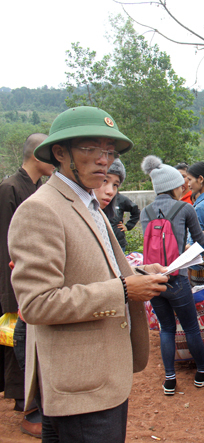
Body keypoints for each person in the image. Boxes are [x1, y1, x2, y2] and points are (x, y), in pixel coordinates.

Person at [8, 106, 169, 442]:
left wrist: (139, 272)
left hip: (100, 377)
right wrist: (125, 290)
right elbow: (38, 303)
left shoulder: (86, 203)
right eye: (91, 149)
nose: (103, 160)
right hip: (80, 386)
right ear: (60, 153)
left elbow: (91, 269)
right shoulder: (41, 209)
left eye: (109, 151)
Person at [140, 156, 204, 395]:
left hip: (153, 280)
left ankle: (170, 380)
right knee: (191, 328)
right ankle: (202, 373)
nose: (184, 184)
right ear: (173, 186)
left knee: (166, 328)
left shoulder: (146, 212)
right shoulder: (185, 208)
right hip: (177, 278)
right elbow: (202, 241)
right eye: (180, 182)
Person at [0, 133, 53, 438]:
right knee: (17, 344)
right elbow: (4, 246)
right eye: (51, 155)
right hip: (13, 282)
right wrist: (9, 295)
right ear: (37, 156)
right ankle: (26, 406)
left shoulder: (37, 189)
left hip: (35, 281)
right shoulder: (9, 188)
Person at [94, 159, 140, 254]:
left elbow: (136, 211)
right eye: (104, 180)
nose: (110, 191)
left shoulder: (121, 199)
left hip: (118, 244)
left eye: (115, 185)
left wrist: (127, 226)